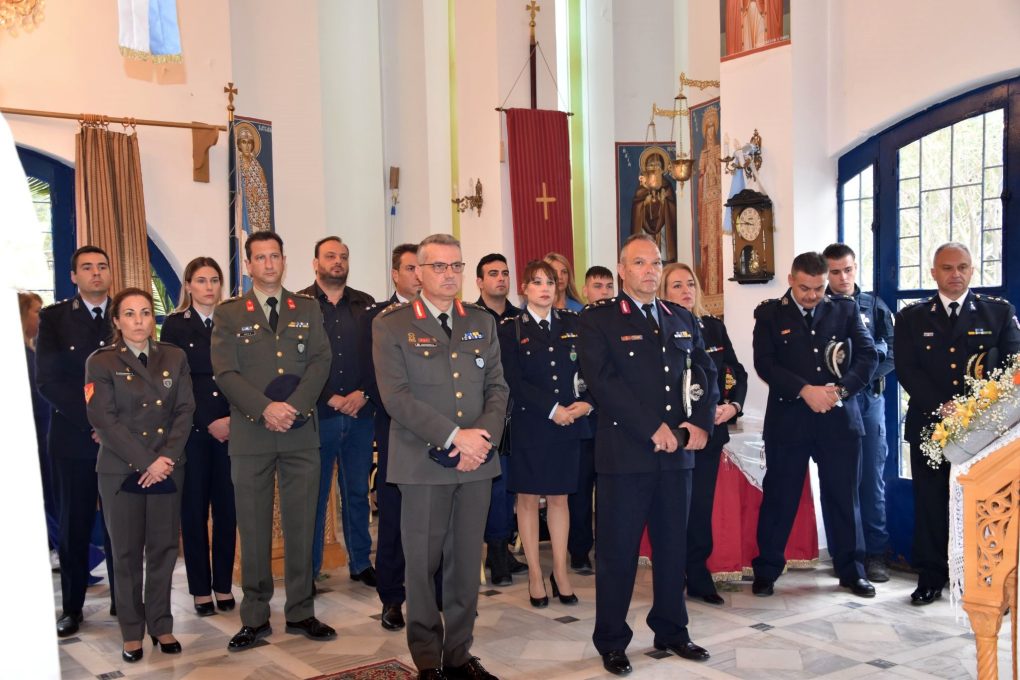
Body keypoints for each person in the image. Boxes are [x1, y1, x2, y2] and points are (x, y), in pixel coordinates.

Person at [578, 233, 718, 676]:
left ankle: (672, 630)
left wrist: (701, 423)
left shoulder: (681, 317)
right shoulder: (598, 319)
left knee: (673, 547)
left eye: (655, 262)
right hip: (626, 455)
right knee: (618, 553)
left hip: (677, 454)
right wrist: (651, 427)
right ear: (622, 270)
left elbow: (705, 373)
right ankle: (612, 640)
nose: (649, 270)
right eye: (639, 263)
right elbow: (602, 382)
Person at [373, 233, 509, 679]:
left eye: (456, 266)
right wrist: (455, 437)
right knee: (422, 565)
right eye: (438, 266)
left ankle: (459, 654)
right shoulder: (392, 325)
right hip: (422, 463)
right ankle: (428, 659)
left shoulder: (481, 321)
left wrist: (481, 440)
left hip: (476, 464)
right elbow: (396, 397)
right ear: (418, 272)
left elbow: (497, 388)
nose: (449, 274)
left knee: (466, 566)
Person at [210, 231, 336, 651]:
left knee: (302, 525)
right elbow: (225, 372)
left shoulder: (307, 308)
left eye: (275, 256)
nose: (268, 264)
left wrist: (294, 408)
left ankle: (301, 611)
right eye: (260, 257)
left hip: (299, 433)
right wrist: (265, 409)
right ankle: (255, 617)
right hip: (252, 435)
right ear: (248, 265)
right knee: (254, 527)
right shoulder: (229, 313)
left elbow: (320, 361)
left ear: (284, 260)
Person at [895, 242, 1020, 605]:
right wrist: (943, 406)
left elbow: (1012, 367)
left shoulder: (998, 312)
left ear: (972, 270)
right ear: (934, 272)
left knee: (987, 506)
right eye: (947, 268)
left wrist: (974, 408)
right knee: (930, 504)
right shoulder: (912, 317)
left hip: (985, 429)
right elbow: (907, 369)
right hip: (930, 424)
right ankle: (931, 577)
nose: (956, 274)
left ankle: (986, 580)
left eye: (963, 267)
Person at [751, 252, 878, 600]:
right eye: (805, 288)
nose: (812, 296)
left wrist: (839, 391)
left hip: (838, 420)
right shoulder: (770, 314)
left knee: (843, 498)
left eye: (819, 289)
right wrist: (805, 390)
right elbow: (765, 363)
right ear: (791, 280)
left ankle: (852, 571)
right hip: (789, 420)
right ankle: (767, 570)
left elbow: (868, 356)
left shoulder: (845, 309)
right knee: (780, 497)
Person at [85, 287, 195, 663]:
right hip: (121, 470)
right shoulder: (101, 362)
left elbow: (184, 411)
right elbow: (104, 419)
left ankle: (161, 624)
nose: (138, 321)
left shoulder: (174, 356)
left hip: (167, 467)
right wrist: (146, 462)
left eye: (145, 312)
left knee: (163, 550)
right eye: (129, 314)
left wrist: (165, 459)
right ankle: (132, 632)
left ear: (153, 318)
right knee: (126, 552)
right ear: (117, 321)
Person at [499, 260, 593, 607]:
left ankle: (561, 573)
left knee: (560, 498)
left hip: (569, 424)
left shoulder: (573, 323)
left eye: (550, 282)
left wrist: (586, 403)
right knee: (527, 499)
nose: (545, 288)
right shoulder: (511, 328)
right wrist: (553, 409)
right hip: (531, 425)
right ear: (524, 288)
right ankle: (536, 575)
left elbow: (590, 368)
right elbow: (512, 380)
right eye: (537, 282)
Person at [37, 245, 117, 637]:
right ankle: (71, 608)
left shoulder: (126, 313)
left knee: (122, 526)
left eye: (102, 266)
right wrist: (94, 421)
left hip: (120, 441)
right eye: (87, 267)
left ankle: (124, 600)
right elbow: (49, 381)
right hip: (73, 439)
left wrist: (113, 426)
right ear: (74, 276)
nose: (96, 273)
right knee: (74, 526)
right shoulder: (54, 318)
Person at [660, 263, 747, 605]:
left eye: (690, 284)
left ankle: (697, 574)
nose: (686, 291)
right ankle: (670, 576)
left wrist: (732, 406)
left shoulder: (712, 327)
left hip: (709, 433)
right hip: (673, 435)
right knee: (671, 510)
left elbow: (734, 372)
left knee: (700, 508)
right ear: (663, 292)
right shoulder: (656, 328)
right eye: (677, 285)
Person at [297, 237, 378, 587]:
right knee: (314, 498)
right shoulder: (299, 305)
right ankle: (310, 569)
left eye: (343, 256)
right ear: (315, 263)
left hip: (360, 415)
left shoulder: (365, 304)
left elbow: (379, 357)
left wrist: (364, 393)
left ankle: (361, 562)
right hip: (319, 416)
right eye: (330, 256)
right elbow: (296, 362)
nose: (338, 262)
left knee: (356, 492)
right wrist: (327, 396)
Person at [160, 257, 237, 616]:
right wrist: (209, 421)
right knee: (193, 511)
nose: (209, 287)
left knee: (227, 511)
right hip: (193, 430)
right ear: (188, 285)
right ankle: (201, 589)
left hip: (232, 429)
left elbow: (243, 374)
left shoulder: (232, 320)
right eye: (201, 280)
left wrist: (233, 418)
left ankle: (223, 584)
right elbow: (175, 381)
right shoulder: (176, 325)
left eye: (215, 280)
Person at [821, 244, 895, 583]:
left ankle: (875, 554)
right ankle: (843, 555)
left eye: (847, 270)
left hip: (867, 401)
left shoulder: (874, 307)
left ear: (855, 268)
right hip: (833, 403)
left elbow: (892, 353)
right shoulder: (818, 308)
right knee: (835, 481)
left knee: (870, 482)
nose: (842, 277)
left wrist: (858, 378)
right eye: (835, 272)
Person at [363, 244, 422, 631]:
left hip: (438, 431)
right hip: (396, 428)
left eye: (422, 267)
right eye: (411, 268)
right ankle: (392, 597)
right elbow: (372, 376)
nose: (418, 275)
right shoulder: (378, 318)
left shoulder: (444, 316)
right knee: (395, 517)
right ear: (395, 274)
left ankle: (434, 594)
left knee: (435, 519)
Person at [475, 252, 527, 586]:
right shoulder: (469, 317)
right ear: (479, 281)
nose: (501, 279)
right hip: (485, 413)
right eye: (493, 273)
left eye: (505, 273)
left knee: (511, 485)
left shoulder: (521, 318)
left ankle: (504, 547)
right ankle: (495, 552)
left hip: (518, 413)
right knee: (495, 485)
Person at [567, 265, 616, 575]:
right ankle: (580, 550)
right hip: (583, 419)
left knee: (611, 492)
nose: (604, 292)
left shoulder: (622, 322)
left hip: (614, 420)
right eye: (598, 286)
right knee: (581, 491)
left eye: (609, 286)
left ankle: (608, 549)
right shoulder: (574, 323)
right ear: (585, 291)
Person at [22, 291, 60, 565]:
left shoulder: (33, 351)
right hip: (35, 435)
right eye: (36, 311)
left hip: (45, 432)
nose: (41, 317)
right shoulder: (21, 356)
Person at [630, 150, 677, 263]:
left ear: (662, 168)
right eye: (651, 165)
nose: (655, 168)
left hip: (662, 225)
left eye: (657, 165)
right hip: (645, 225)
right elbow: (637, 207)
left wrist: (664, 202)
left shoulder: (666, 185)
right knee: (645, 243)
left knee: (663, 246)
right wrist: (644, 203)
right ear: (646, 168)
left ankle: (664, 259)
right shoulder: (642, 187)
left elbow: (671, 208)